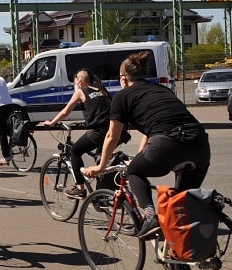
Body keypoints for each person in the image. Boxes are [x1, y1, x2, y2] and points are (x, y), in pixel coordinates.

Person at [83, 50, 210, 239]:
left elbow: (112, 136)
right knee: (179, 208)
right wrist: (141, 155)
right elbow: (150, 130)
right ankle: (181, 263)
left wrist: (101, 166)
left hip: (168, 143)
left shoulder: (122, 96)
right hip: (199, 143)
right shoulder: (162, 90)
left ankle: (150, 216)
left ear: (123, 79)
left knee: (133, 171)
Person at [42, 69, 112, 199]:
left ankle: (80, 188)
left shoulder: (81, 91)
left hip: (98, 132)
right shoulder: (102, 90)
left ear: (80, 82)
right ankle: (103, 193)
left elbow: (65, 111)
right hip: (114, 132)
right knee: (101, 158)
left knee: (75, 151)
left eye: (74, 82)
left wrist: (52, 122)